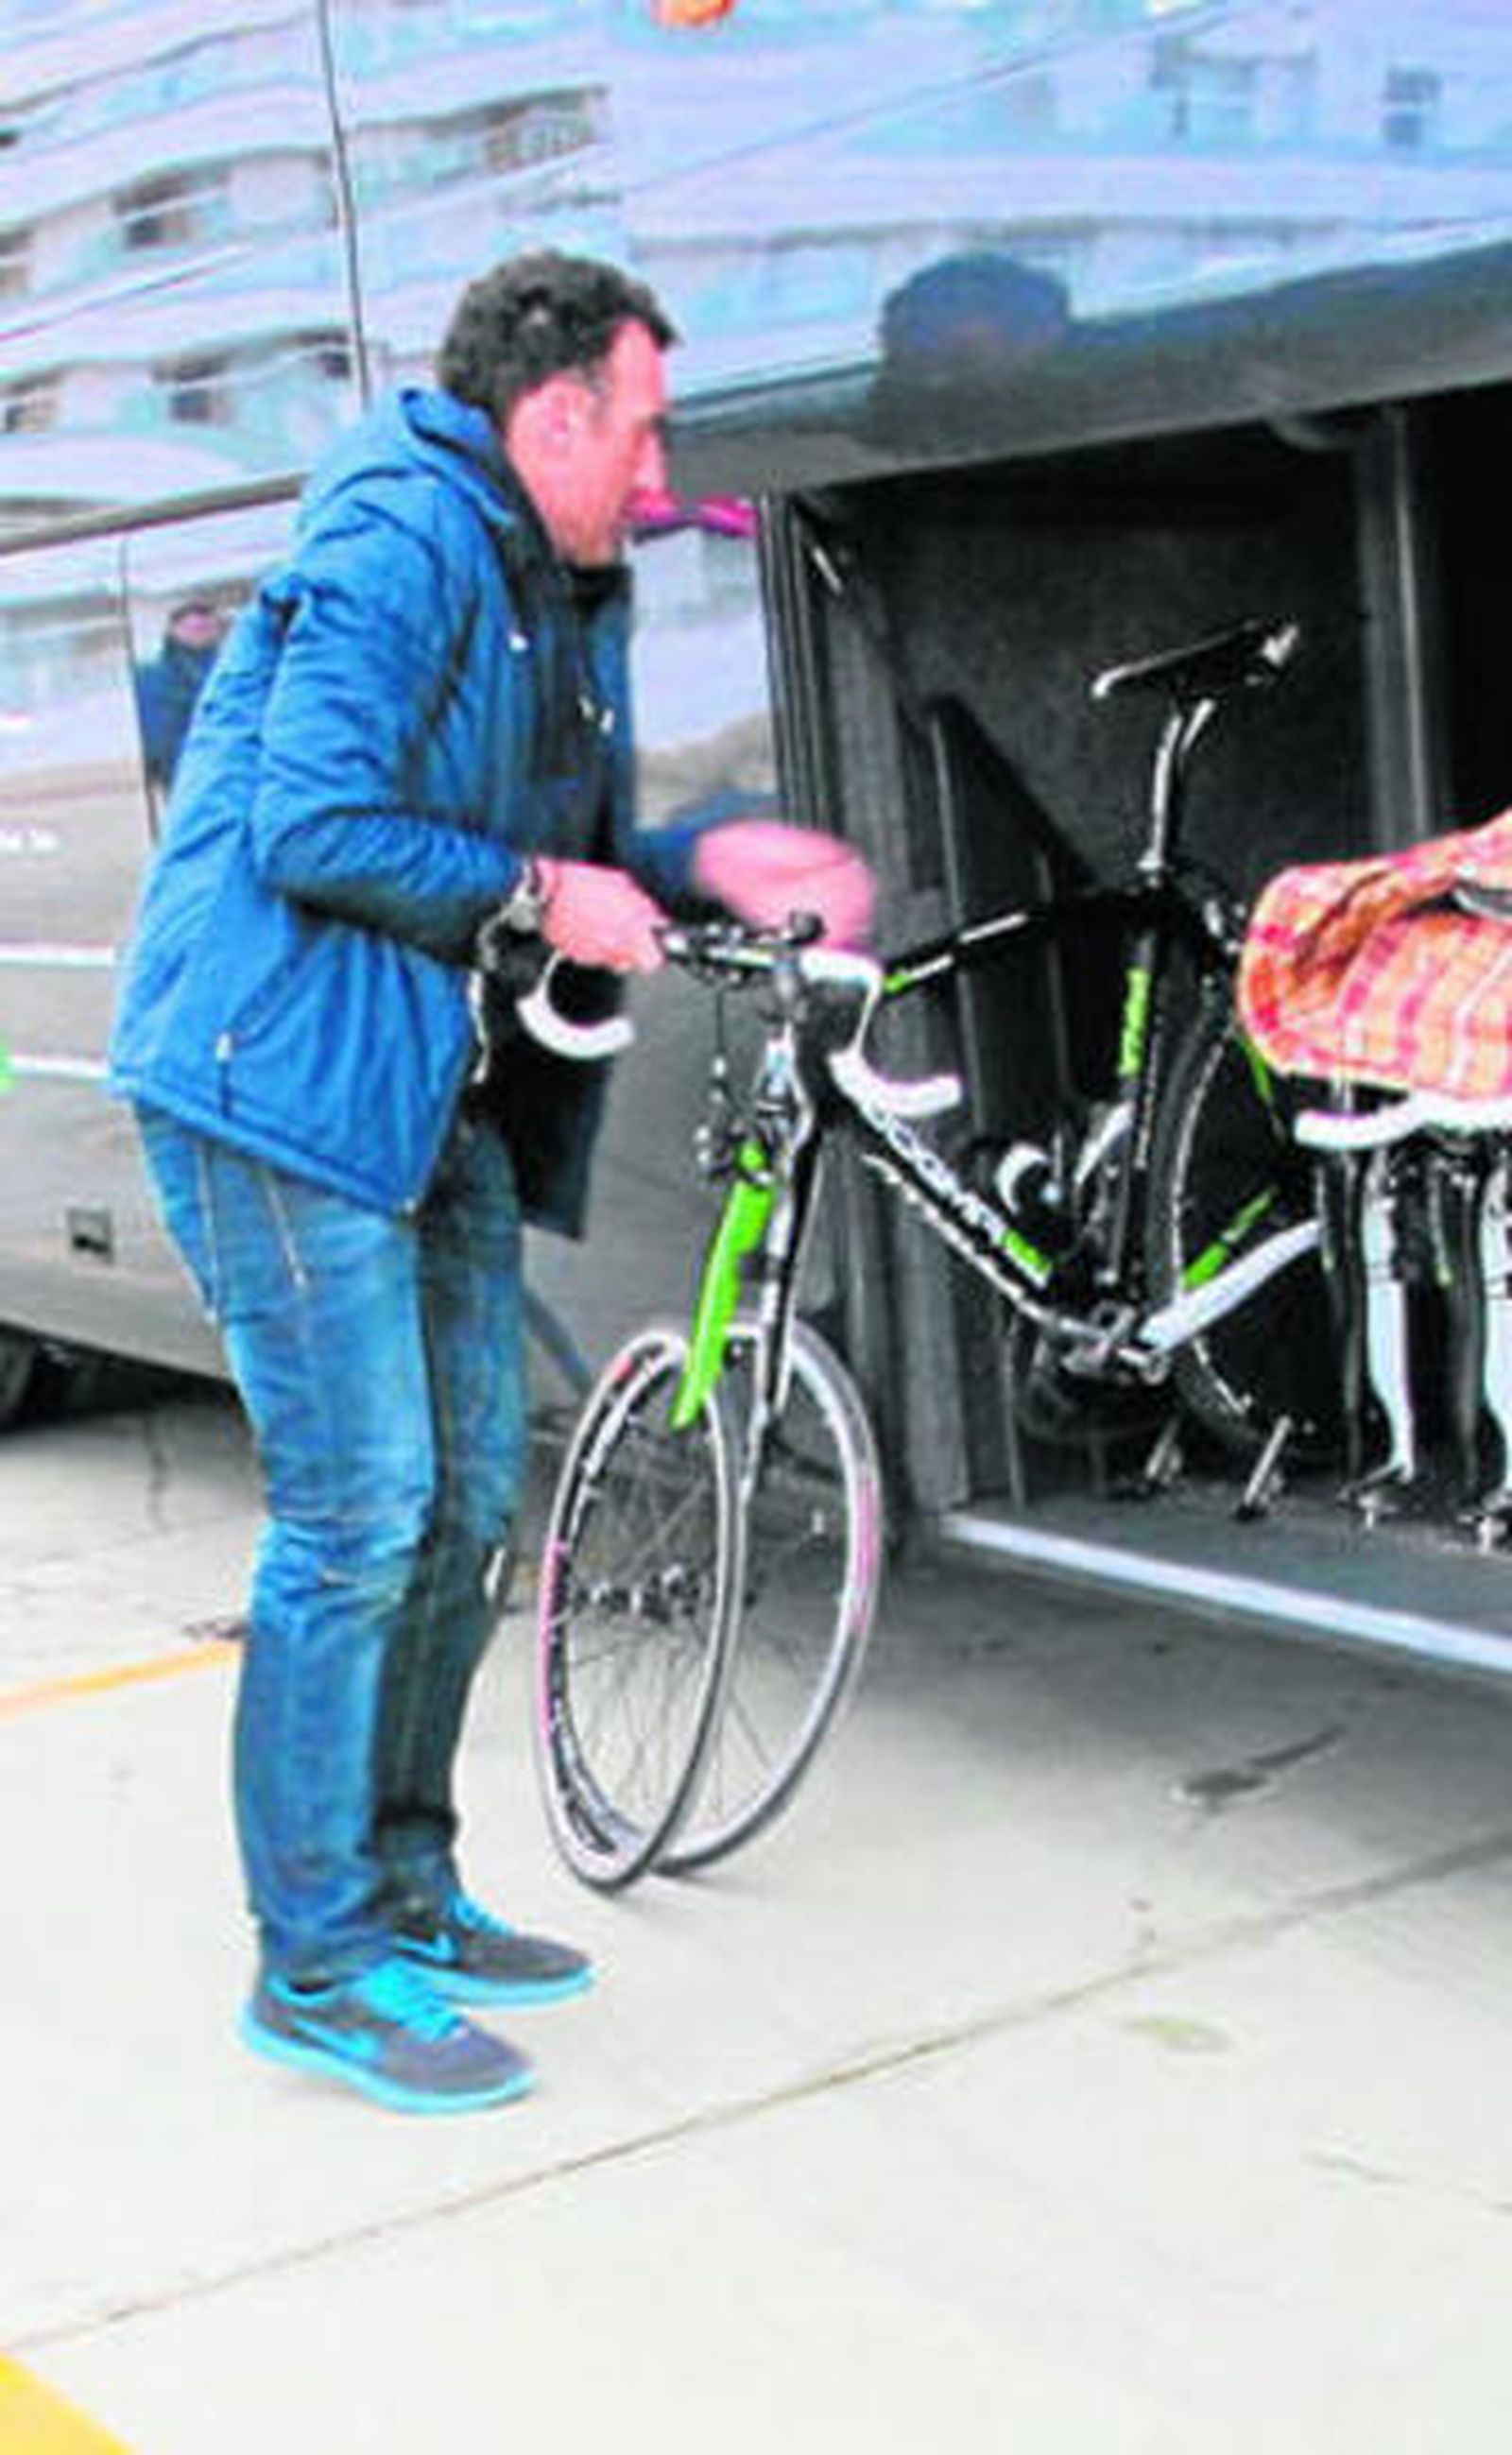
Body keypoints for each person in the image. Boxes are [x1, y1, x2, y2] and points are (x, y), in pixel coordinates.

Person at [108, 249, 871, 2116]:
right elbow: (310, 817)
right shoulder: (403, 541)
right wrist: (538, 900)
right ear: (551, 418)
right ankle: (313, 1964)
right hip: (273, 1080)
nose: (657, 464)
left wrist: (702, 856)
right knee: (359, 1517)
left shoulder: (556, 586)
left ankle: (404, 1886)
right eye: (644, 425)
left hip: (419, 1082)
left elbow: (569, 844)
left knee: (458, 1510)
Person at [132, 599, 228, 795]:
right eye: (191, 628)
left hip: (228, 768)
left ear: (218, 630)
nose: (199, 633)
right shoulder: (149, 675)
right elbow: (148, 727)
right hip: (178, 770)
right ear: (173, 630)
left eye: (205, 627)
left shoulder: (234, 670)